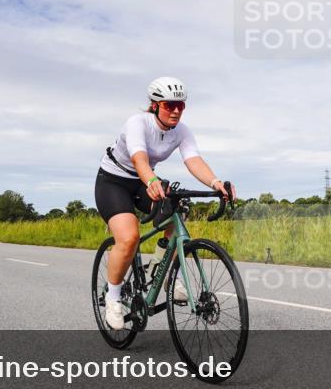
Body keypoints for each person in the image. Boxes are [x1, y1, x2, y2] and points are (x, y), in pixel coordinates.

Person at [95, 77, 235, 330]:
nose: (176, 110)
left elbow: (193, 160)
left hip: (145, 180)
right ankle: (113, 298)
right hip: (114, 181)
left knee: (176, 210)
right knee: (129, 238)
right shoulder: (138, 123)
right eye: (170, 105)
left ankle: (164, 269)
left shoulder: (182, 131)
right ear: (155, 105)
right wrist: (151, 180)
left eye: (181, 105)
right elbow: (139, 158)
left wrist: (215, 183)